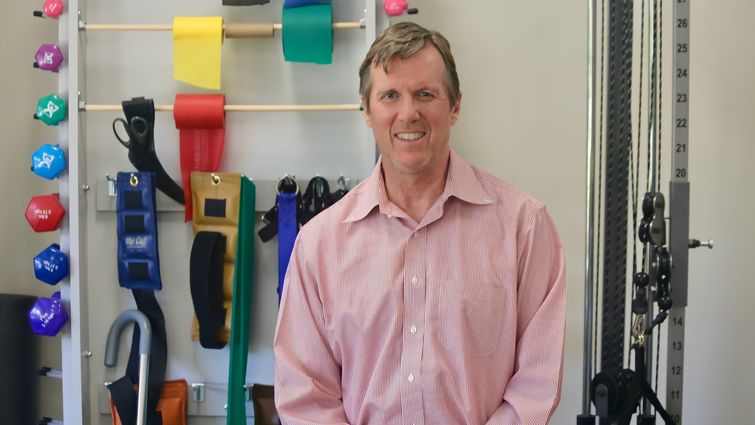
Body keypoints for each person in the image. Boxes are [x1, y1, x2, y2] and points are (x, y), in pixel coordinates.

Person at [274, 22, 566, 425]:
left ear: (455, 105)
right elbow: (306, 395)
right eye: (390, 95)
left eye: (425, 94)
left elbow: (536, 383)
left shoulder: (524, 229)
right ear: (367, 109)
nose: (408, 113)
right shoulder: (319, 244)